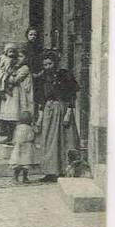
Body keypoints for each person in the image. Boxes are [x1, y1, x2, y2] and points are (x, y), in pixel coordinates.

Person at [36, 51, 80, 182]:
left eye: (49, 64)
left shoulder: (64, 75)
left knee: (62, 139)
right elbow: (41, 99)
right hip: (48, 111)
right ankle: (50, 171)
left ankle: (62, 170)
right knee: (48, 141)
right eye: (45, 64)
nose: (47, 67)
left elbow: (72, 96)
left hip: (61, 109)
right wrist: (40, 117)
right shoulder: (43, 77)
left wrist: (68, 114)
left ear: (55, 63)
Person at [0, 43, 19, 143]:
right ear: (6, 52)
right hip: (6, 88)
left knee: (13, 113)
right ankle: (6, 133)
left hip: (14, 91)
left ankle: (12, 135)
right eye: (9, 51)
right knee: (5, 112)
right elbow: (0, 73)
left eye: (13, 51)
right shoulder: (4, 61)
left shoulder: (17, 62)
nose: (11, 53)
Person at [9, 111, 37, 183]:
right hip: (27, 148)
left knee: (18, 164)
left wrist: (14, 142)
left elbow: (15, 137)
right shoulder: (30, 128)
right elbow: (32, 136)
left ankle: (15, 178)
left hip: (19, 147)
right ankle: (25, 178)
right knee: (26, 165)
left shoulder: (18, 127)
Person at [25, 26, 44, 118]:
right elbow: (25, 62)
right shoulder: (25, 48)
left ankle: (37, 116)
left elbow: (42, 60)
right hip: (28, 74)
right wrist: (31, 73)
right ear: (27, 36)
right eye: (31, 34)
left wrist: (40, 72)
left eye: (35, 35)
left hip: (39, 74)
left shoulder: (40, 47)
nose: (33, 36)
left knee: (38, 96)